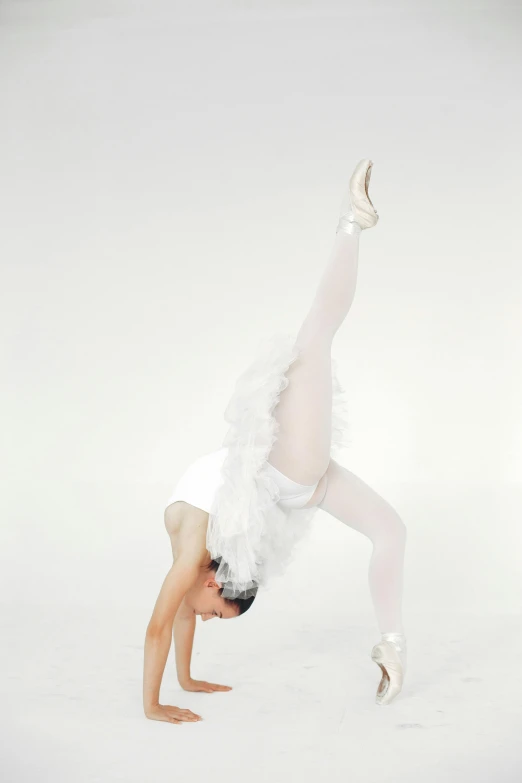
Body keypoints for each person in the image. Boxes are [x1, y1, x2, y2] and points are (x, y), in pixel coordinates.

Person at [143, 159, 408, 725]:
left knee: (390, 528)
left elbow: (162, 623)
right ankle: (350, 224)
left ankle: (351, 222)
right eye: (219, 614)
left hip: (293, 472)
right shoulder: (192, 559)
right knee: (313, 343)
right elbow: (184, 615)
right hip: (293, 477)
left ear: (213, 580)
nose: (208, 617)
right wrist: (187, 678)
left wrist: (157, 702)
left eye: (216, 613)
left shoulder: (191, 553)